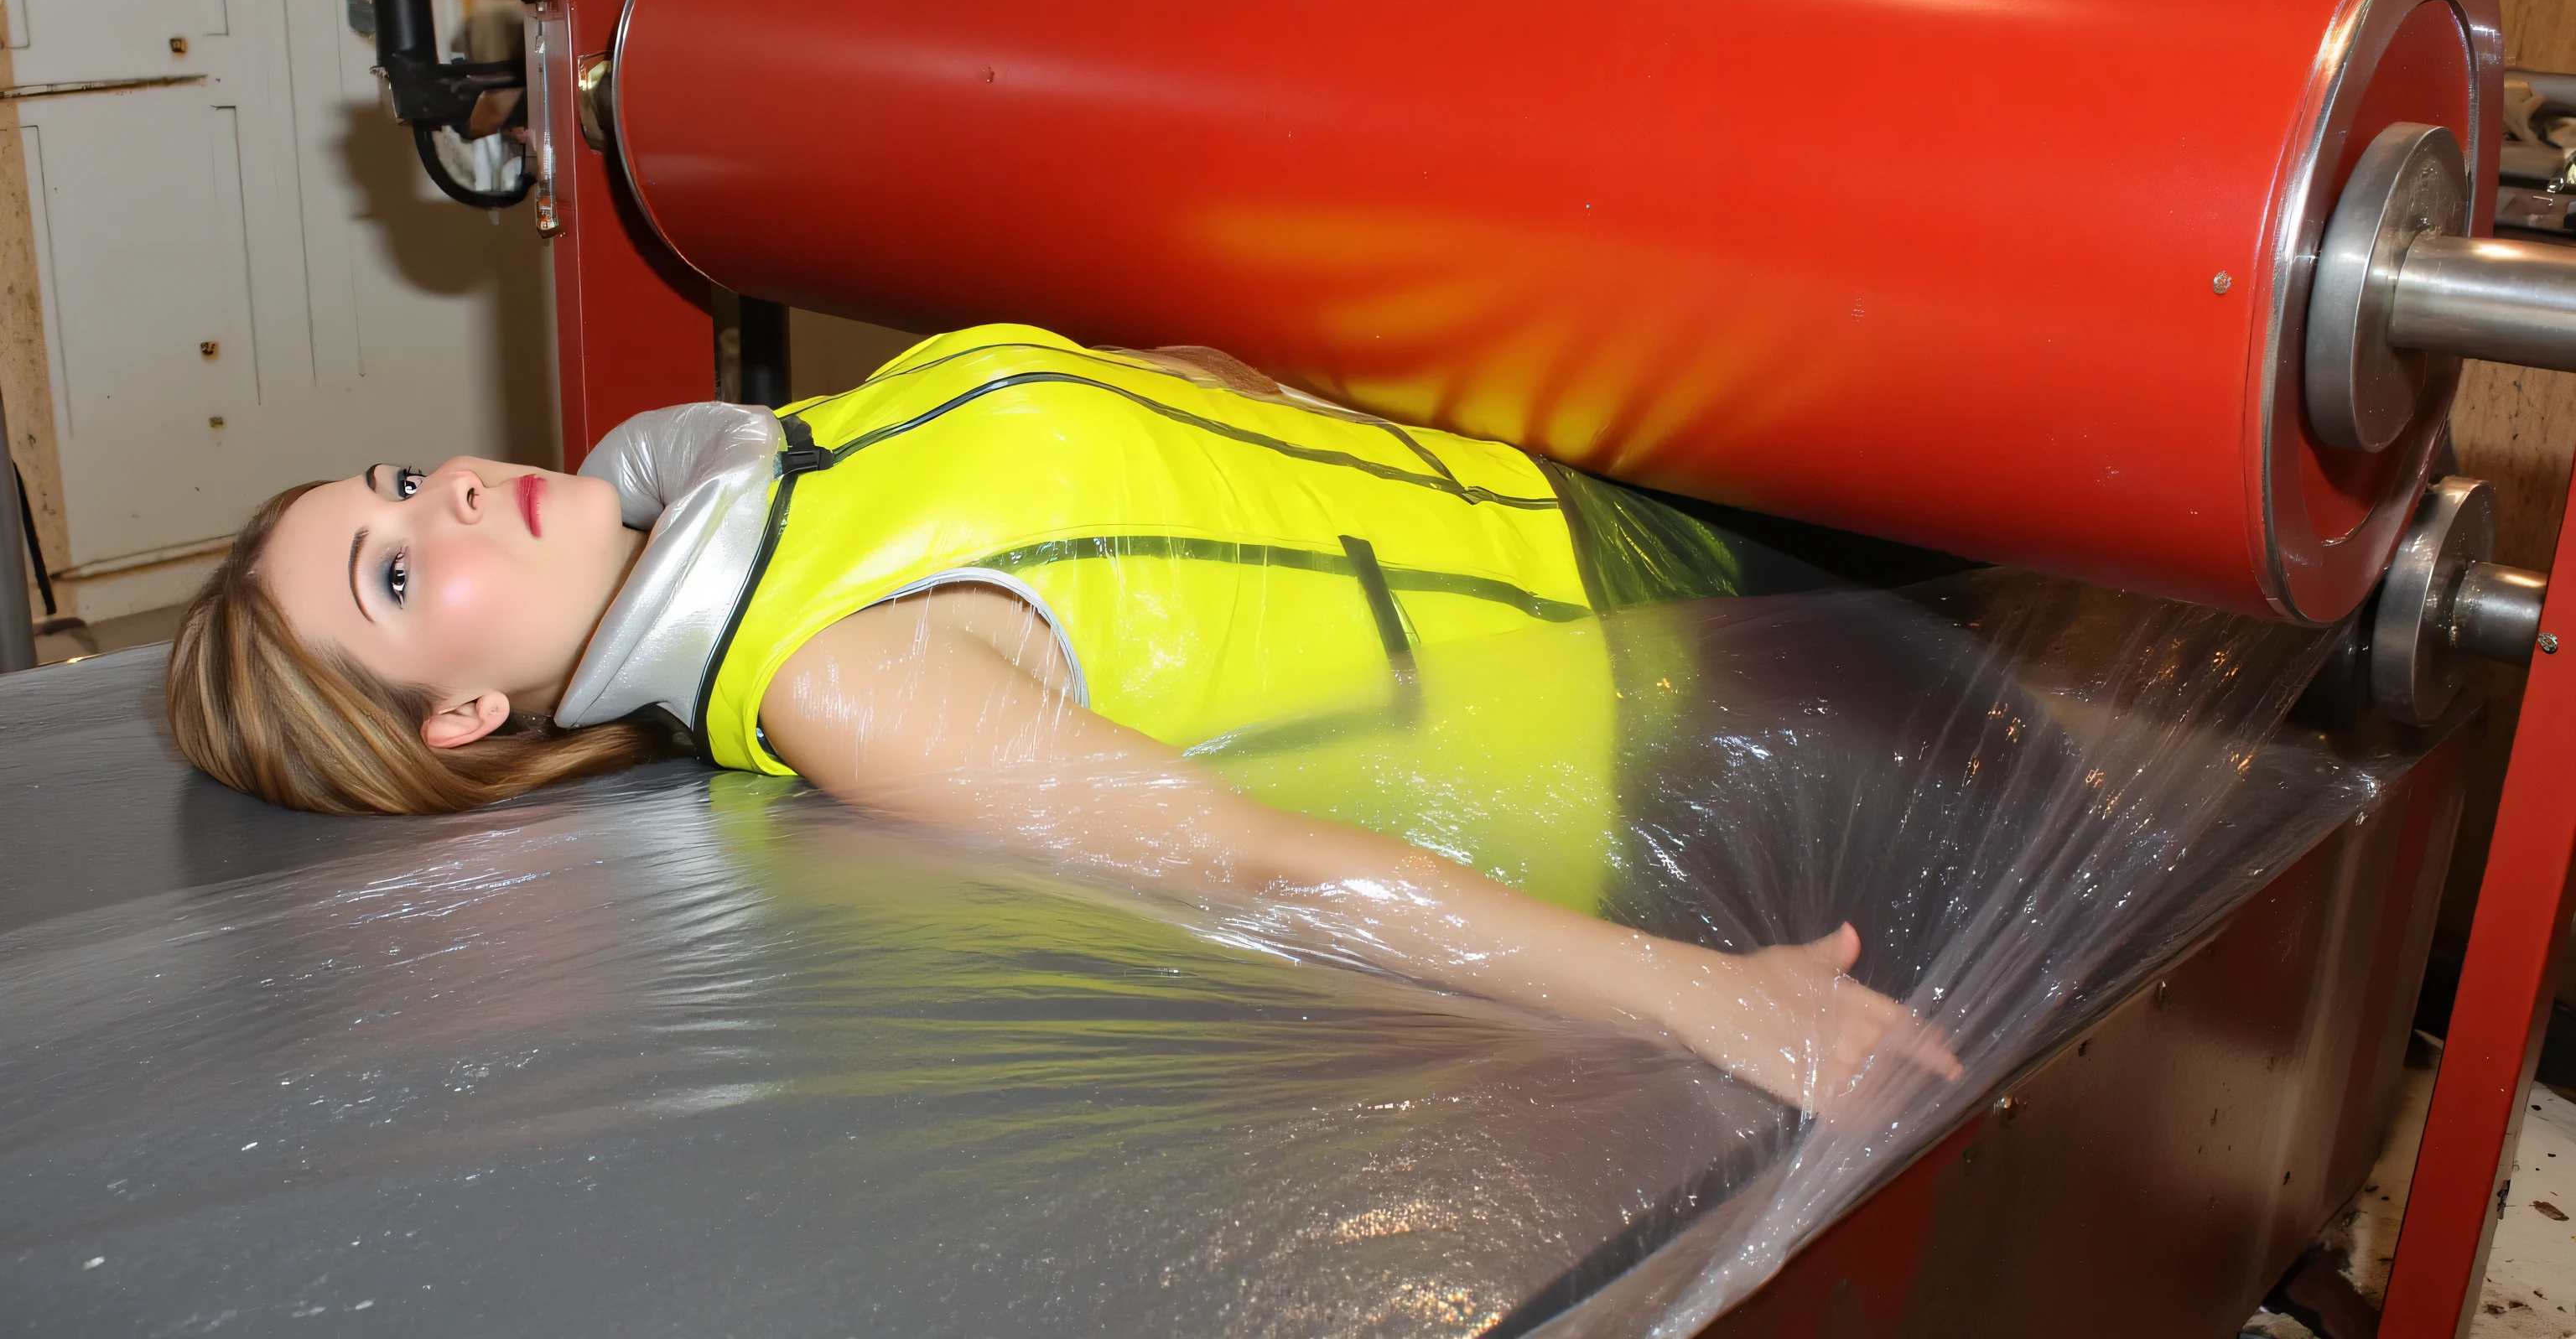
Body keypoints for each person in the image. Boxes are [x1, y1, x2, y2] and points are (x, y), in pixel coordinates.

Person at [165, 324, 1958, 1110]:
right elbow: (1253, 863)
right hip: (1649, 688)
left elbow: (1163, 405)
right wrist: (1717, 1005)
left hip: (1570, 493)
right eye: (394, 575)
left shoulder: (791, 466)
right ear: (467, 714)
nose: (451, 498)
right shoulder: (830, 671)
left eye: (399, 481)